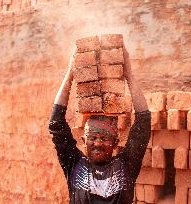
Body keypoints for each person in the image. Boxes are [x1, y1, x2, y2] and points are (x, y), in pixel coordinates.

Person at [48, 48, 151, 204]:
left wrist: (129, 74)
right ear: (83, 140)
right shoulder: (74, 164)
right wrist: (70, 74)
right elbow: (56, 122)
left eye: (104, 138)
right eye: (93, 137)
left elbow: (143, 122)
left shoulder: (126, 165)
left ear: (115, 143)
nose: (97, 143)